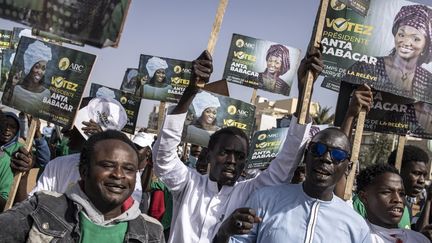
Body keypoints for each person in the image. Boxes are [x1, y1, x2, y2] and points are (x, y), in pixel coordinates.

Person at [153, 46, 323, 243]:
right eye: (225, 152)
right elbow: (163, 157)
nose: (232, 161)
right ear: (209, 155)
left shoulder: (251, 191)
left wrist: (305, 91)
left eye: (240, 156)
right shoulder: (189, 183)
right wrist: (191, 90)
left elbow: (287, 160)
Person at [0, 130, 165, 242]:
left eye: (129, 169)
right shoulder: (42, 207)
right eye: (108, 165)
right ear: (84, 170)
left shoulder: (151, 232)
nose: (119, 175)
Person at [215, 128, 372, 243]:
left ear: (348, 168)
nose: (325, 158)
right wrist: (224, 232)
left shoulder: (357, 226)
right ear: (305, 156)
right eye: (318, 149)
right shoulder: (264, 199)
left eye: (337, 155)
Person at [11, 97, 143, 204]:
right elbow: (31, 209)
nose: (65, 131)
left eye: (74, 126)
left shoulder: (126, 176)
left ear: (89, 131)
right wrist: (23, 176)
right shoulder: (58, 166)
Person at [345, 5, 432, 103]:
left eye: (416, 39)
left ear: (426, 47)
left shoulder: (428, 82)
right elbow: (343, 100)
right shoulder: (366, 67)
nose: (406, 42)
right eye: (401, 35)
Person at [356, 163, 429, 242]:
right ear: (364, 197)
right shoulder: (357, 237)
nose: (398, 199)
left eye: (401, 194)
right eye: (386, 192)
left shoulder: (419, 240)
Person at [4, 40, 52, 114]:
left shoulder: (46, 94)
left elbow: (45, 114)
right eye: (37, 67)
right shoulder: (16, 89)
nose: (39, 72)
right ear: (29, 67)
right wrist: (13, 84)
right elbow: (5, 104)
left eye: (43, 68)